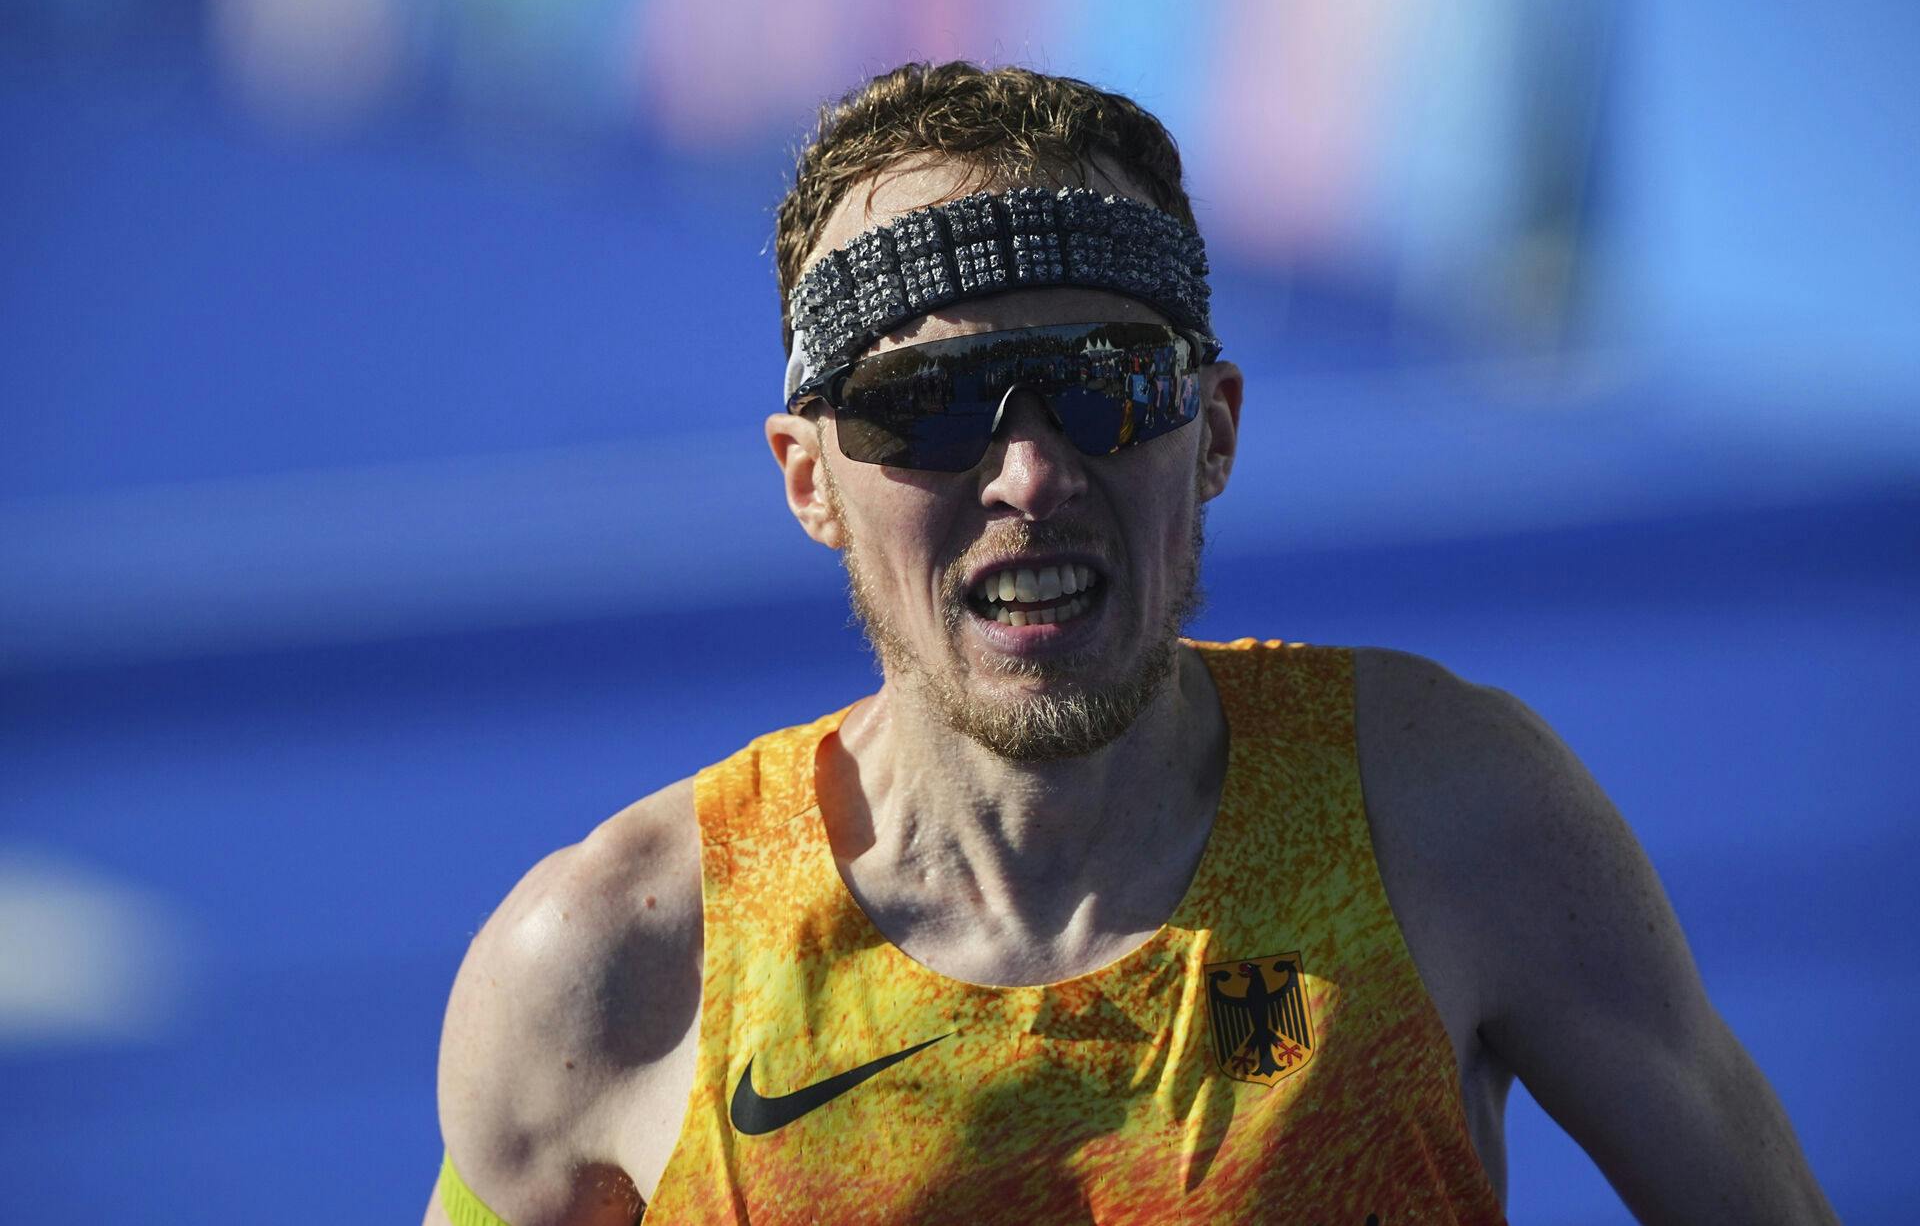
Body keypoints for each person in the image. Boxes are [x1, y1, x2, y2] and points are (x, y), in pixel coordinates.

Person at [424, 62, 1837, 1226]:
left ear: (1211, 429)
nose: (1031, 475)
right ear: (810, 480)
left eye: (1107, 388)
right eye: (929, 403)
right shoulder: (613, 974)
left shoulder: (1457, 820)